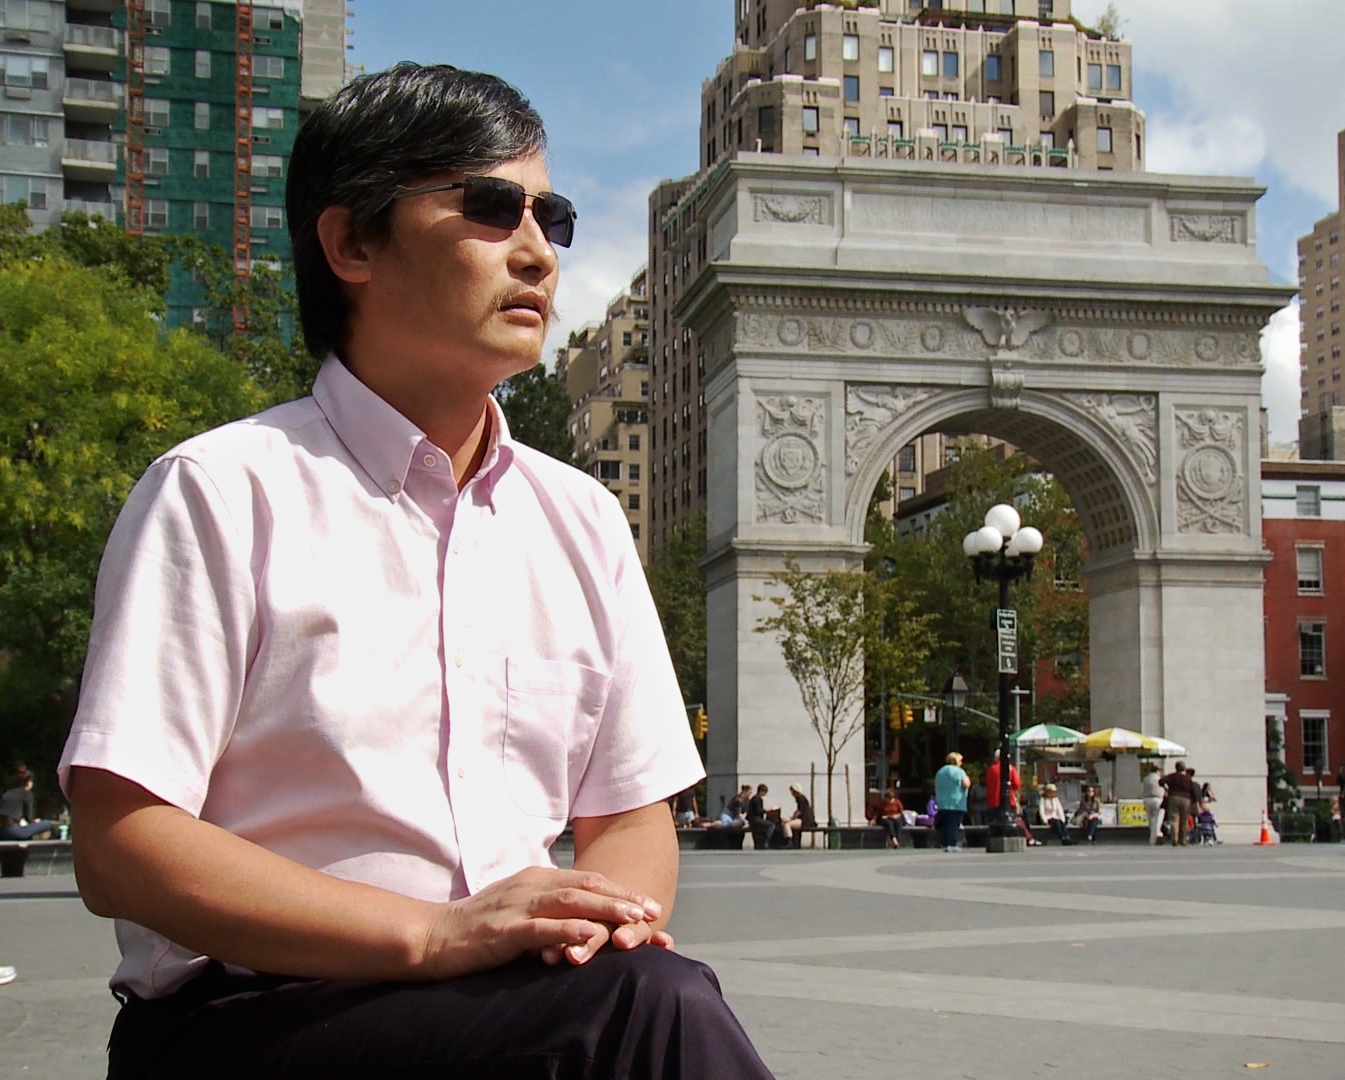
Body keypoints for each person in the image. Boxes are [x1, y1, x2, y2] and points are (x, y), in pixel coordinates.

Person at [57, 64, 776, 1080]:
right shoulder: (222, 492)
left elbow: (628, 813)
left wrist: (592, 921)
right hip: (253, 1016)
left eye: (552, 215)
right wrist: (432, 936)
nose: (536, 252)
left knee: (646, 993)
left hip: (517, 1004)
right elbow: (120, 841)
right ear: (351, 242)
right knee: (652, 1016)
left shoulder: (582, 520)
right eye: (490, 209)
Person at [0, 766, 57, 841]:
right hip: (14, 831)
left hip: (2, 832)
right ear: (28, 782)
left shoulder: (7, 793)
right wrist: (35, 822)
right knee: (47, 823)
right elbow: (29, 819)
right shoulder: (26, 794)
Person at [934, 753, 970, 852]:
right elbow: (966, 784)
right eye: (960, 760)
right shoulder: (959, 771)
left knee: (946, 824)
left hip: (942, 802)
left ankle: (944, 843)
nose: (961, 763)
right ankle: (951, 843)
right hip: (956, 802)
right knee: (953, 824)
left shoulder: (940, 771)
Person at [1161, 761, 1198, 847]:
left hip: (1173, 797)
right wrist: (1195, 802)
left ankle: (1175, 839)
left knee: (1174, 820)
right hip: (1186, 799)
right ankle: (1183, 840)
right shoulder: (1187, 778)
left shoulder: (1171, 776)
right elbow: (1193, 790)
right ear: (1184, 768)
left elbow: (1161, 781)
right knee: (1184, 820)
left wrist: (1166, 788)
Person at [984, 750, 1021, 824]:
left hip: (993, 802)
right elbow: (1017, 784)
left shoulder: (991, 769)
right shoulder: (1011, 768)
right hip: (1009, 801)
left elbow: (987, 784)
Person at [747, 784, 779, 850]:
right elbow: (758, 811)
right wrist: (767, 810)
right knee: (771, 825)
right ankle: (766, 841)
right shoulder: (758, 799)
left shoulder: (754, 798)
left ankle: (762, 842)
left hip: (752, 819)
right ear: (761, 791)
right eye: (765, 792)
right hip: (756, 819)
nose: (765, 794)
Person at [1141, 762, 1165, 846]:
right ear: (1157, 771)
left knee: (1151, 819)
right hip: (1158, 799)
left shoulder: (1146, 779)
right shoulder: (1159, 779)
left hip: (1147, 799)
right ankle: (1156, 835)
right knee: (1158, 819)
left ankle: (1153, 837)